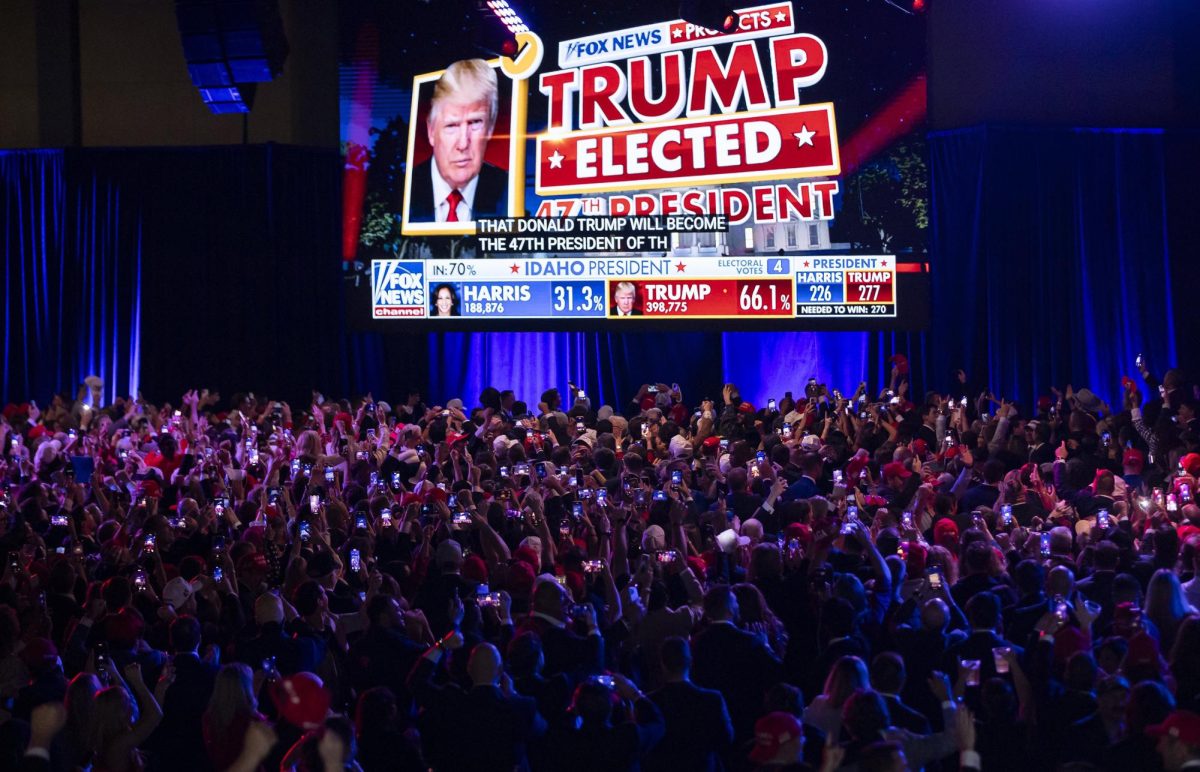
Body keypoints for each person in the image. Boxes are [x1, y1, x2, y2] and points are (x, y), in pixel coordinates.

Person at [406, 58, 508, 224]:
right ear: (431, 131)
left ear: (490, 127)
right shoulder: (402, 188)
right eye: (451, 125)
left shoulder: (509, 189)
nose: (463, 144)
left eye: (475, 123)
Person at [644, 637, 733, 772]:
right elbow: (726, 738)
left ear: (662, 664)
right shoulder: (712, 698)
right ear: (690, 662)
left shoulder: (649, 701)